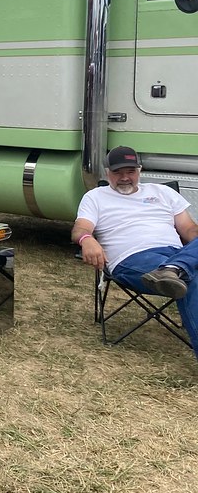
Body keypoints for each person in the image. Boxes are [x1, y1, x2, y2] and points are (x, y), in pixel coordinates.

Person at [73, 145, 198, 358]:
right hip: (132, 258)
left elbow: (189, 229)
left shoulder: (163, 192)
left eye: (130, 172)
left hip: (174, 254)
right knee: (191, 279)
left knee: (184, 274)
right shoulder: (95, 197)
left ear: (139, 171)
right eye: (117, 172)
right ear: (107, 173)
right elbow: (81, 229)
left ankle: (174, 268)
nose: (124, 177)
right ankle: (176, 268)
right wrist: (87, 240)